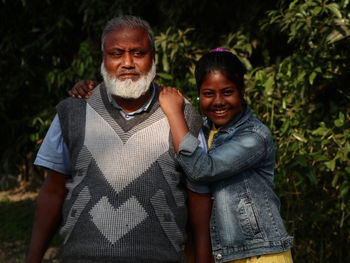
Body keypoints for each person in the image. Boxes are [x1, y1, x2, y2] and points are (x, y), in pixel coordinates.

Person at [26, 15, 212, 263]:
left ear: (153, 57)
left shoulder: (181, 113)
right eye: (116, 53)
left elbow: (198, 196)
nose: (127, 63)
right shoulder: (73, 111)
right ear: (103, 58)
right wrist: (32, 258)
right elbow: (53, 191)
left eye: (138, 53)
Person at [158, 49, 294, 263]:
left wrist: (174, 113)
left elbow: (203, 169)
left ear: (242, 91)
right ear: (199, 94)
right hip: (219, 254)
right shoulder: (199, 131)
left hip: (258, 254)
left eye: (228, 92)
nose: (218, 101)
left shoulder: (254, 137)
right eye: (208, 94)